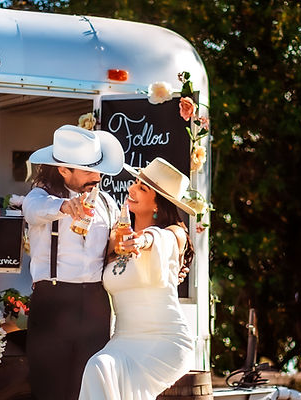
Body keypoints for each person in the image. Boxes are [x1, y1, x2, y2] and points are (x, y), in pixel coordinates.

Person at [78, 157, 196, 400]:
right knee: (97, 366)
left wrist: (144, 239)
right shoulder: (117, 236)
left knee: (102, 369)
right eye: (134, 182)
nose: (131, 189)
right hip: (123, 339)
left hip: (164, 339)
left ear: (158, 205)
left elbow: (160, 239)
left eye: (142, 188)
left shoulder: (173, 234)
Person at [23, 124, 125, 400]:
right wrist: (64, 207)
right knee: (51, 388)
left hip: (95, 302)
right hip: (53, 300)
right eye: (88, 171)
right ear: (63, 170)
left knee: (90, 387)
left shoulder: (107, 203)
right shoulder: (40, 196)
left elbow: (116, 245)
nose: (97, 177)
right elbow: (32, 211)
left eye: (98, 169)